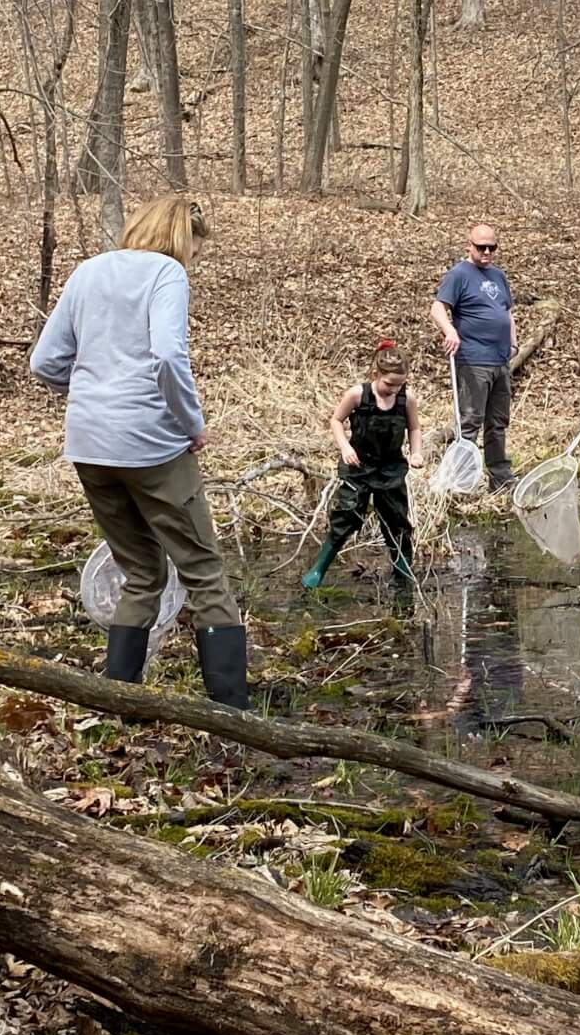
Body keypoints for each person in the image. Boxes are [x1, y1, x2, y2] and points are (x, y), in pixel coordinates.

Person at [30, 193, 248, 708]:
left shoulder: (87, 271)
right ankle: (235, 712)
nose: (194, 259)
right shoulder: (166, 274)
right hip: (151, 445)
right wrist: (190, 423)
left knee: (141, 573)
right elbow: (169, 357)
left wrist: (94, 394)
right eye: (195, 248)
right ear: (179, 237)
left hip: (89, 445)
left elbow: (44, 362)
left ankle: (118, 704)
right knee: (204, 571)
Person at [302, 340, 423, 592]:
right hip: (359, 467)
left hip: (391, 469)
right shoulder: (357, 395)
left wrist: (416, 453)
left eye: (399, 384)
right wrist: (345, 447)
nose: (394, 389)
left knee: (396, 520)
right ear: (375, 374)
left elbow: (414, 428)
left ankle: (403, 572)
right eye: (389, 383)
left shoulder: (406, 399)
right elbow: (336, 421)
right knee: (346, 516)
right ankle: (318, 570)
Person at [431, 223, 515, 491]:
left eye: (492, 247)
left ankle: (500, 478)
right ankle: (459, 480)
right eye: (481, 247)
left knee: (498, 422)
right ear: (469, 246)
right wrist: (450, 330)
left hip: (500, 360)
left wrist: (513, 343)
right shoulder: (459, 274)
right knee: (470, 421)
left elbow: (507, 311)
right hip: (473, 359)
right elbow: (437, 308)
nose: (487, 251)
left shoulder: (498, 276)